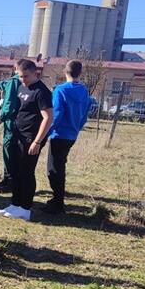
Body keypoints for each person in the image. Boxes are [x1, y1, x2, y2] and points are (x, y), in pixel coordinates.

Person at [0, 59, 53, 221]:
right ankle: (15, 204)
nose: (23, 80)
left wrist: (37, 141)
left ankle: (25, 209)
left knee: (26, 173)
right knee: (14, 171)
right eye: (20, 76)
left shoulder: (42, 92)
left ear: (36, 73)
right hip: (17, 134)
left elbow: (48, 118)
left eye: (26, 76)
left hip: (31, 139)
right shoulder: (21, 87)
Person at [42, 60, 91, 214]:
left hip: (59, 134)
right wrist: (77, 127)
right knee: (60, 166)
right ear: (80, 73)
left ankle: (57, 202)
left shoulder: (60, 90)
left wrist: (45, 134)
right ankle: (57, 200)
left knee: (53, 169)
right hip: (72, 135)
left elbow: (56, 115)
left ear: (65, 72)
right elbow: (85, 114)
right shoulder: (84, 91)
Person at [0, 66, 21, 192]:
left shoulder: (15, 80)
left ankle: (9, 182)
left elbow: (9, 104)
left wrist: (0, 118)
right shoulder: (22, 80)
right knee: (16, 152)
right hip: (22, 123)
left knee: (9, 150)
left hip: (12, 123)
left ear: (16, 69)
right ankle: (13, 180)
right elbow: (6, 84)